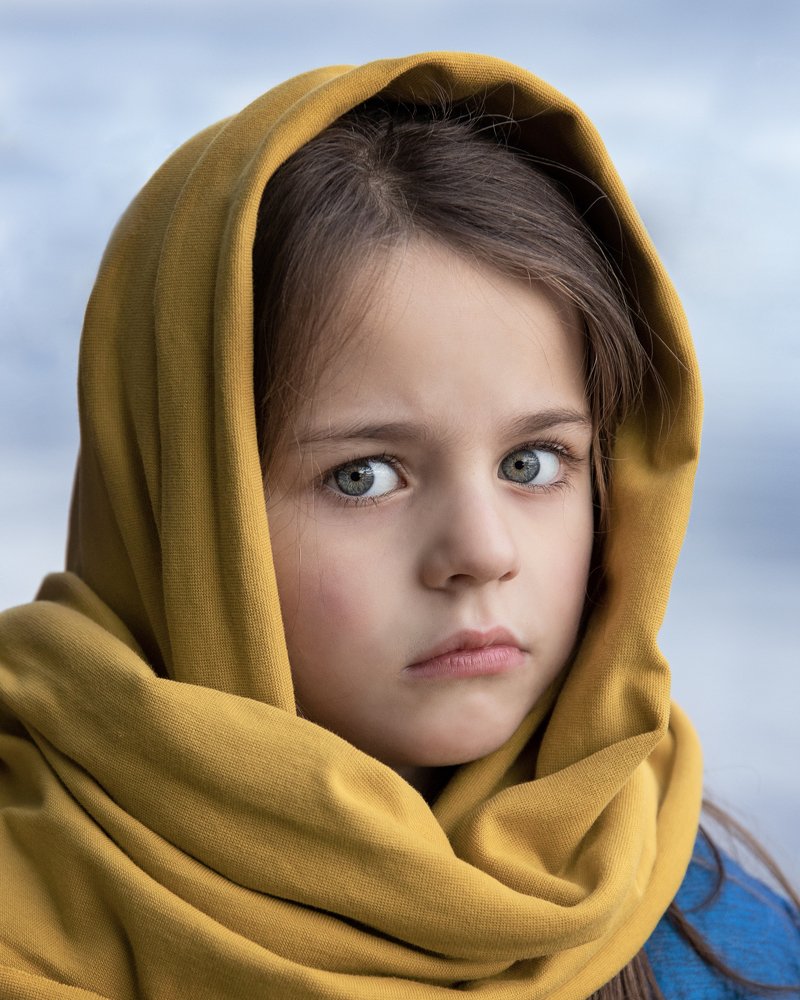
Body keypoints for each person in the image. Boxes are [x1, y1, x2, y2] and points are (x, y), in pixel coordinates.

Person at [0, 51, 796, 999]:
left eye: (532, 463)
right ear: (182, 509)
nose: (482, 554)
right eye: (364, 476)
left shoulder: (722, 940)